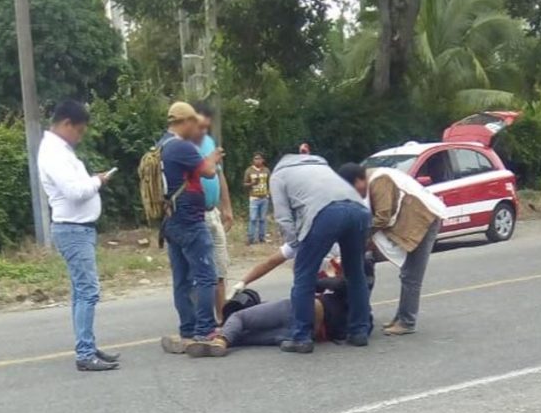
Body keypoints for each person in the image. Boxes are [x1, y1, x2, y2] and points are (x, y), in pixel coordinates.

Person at [37, 100, 120, 371]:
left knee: (80, 292)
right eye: (80, 131)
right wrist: (99, 181)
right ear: (66, 124)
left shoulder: (60, 150)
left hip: (77, 228)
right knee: (88, 291)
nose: (80, 137)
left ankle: (87, 344)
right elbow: (74, 192)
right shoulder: (53, 153)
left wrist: (91, 180)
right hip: (72, 229)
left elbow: (74, 186)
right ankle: (85, 353)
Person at [270, 152, 372, 353]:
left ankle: (301, 336)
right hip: (359, 210)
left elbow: (283, 218)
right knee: (355, 273)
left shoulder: (278, 176)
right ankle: (359, 331)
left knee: (304, 275)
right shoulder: (321, 166)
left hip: (326, 213)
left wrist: (296, 246)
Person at [186, 257, 376, 357]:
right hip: (312, 332)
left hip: (305, 311)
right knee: (244, 338)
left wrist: (322, 281)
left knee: (240, 319)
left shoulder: (345, 277)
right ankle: (215, 339)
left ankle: (217, 339)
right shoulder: (363, 315)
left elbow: (327, 284)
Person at [337, 163, 447, 335]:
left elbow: (383, 216)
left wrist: (362, 234)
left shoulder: (379, 181)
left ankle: (407, 321)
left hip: (423, 220)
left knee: (411, 276)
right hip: (415, 220)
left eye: (353, 188)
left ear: (359, 179)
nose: (355, 193)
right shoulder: (374, 179)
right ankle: (401, 318)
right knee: (407, 273)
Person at [157, 102, 222, 354]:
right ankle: (205, 329)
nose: (195, 127)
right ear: (183, 122)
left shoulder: (161, 145)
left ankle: (187, 328)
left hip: (170, 220)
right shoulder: (181, 147)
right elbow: (207, 172)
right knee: (205, 275)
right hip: (190, 219)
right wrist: (213, 158)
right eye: (192, 122)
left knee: (182, 277)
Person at [192, 102, 233, 323]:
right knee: (201, 271)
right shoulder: (183, 144)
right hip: (195, 215)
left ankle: (223, 319)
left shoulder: (208, 142)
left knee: (220, 269)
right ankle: (202, 321)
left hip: (213, 212)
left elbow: (218, 174)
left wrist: (226, 207)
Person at [243, 152, 270, 244]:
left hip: (264, 198)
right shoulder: (249, 171)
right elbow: (244, 184)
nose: (257, 160)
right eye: (255, 158)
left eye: (259, 158)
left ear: (263, 160)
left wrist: (269, 193)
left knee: (263, 219)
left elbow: (270, 182)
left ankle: (262, 238)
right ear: (253, 160)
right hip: (254, 198)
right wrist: (252, 184)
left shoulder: (266, 170)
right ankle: (251, 238)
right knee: (253, 218)